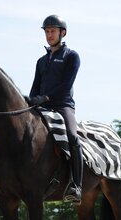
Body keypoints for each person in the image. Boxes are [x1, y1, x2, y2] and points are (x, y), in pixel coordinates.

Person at [27, 15, 83, 205]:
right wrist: (32, 100)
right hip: (41, 105)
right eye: (47, 31)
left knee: (73, 136)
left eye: (53, 31)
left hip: (63, 106)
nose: (49, 35)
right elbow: (35, 86)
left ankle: (76, 185)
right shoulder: (41, 61)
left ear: (62, 33)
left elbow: (66, 85)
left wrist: (46, 97)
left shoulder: (72, 56)